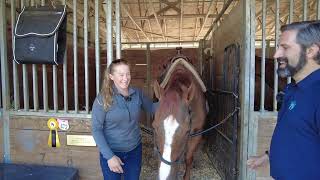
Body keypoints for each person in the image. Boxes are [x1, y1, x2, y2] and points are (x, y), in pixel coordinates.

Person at [247, 20, 320, 179]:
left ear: (311, 51)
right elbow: (298, 136)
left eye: (285, 47)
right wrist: (268, 156)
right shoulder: (294, 89)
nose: (276, 55)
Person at [91, 59, 157, 180]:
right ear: (111, 76)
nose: (125, 78)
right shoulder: (102, 99)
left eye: (128, 74)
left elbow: (153, 108)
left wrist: (173, 102)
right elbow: (96, 129)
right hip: (112, 152)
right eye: (121, 75)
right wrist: (110, 157)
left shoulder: (137, 93)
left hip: (134, 151)